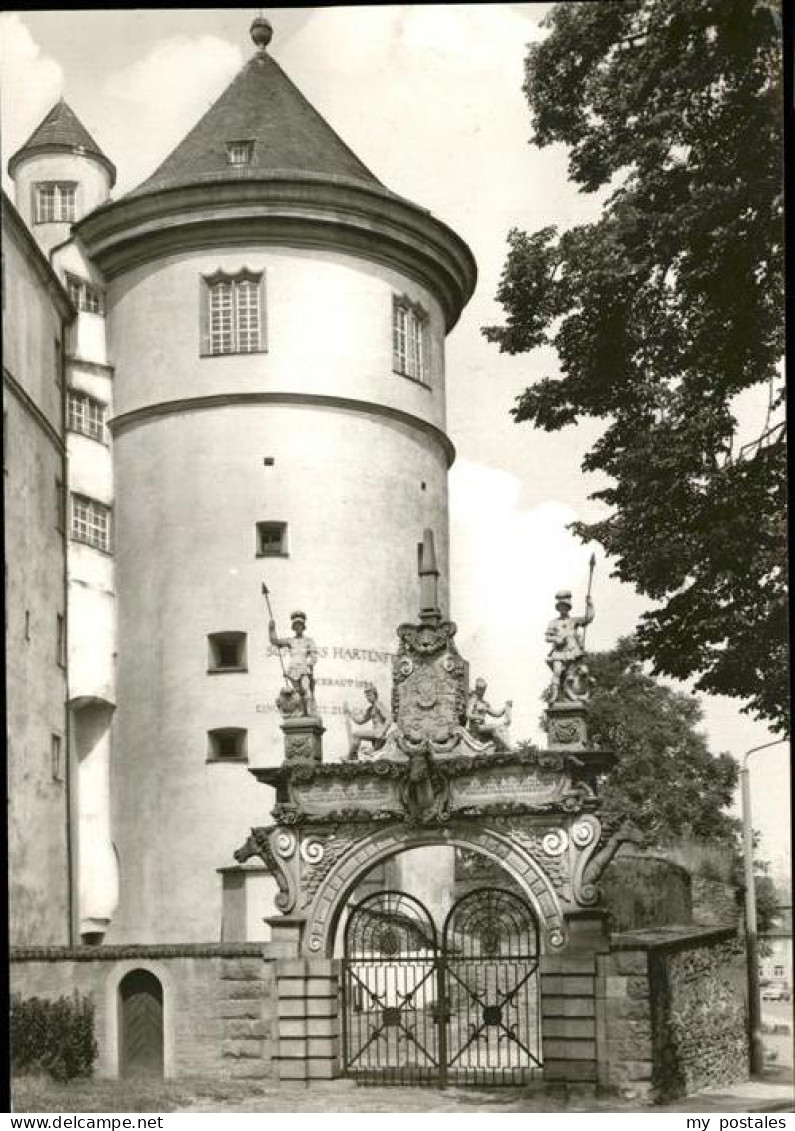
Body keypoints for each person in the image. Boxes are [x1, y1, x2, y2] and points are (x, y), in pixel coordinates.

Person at [545, 589, 594, 701]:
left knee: (570, 674)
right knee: (557, 671)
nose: (563, 609)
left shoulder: (574, 621)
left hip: (572, 651)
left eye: (565, 606)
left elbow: (588, 618)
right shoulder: (553, 623)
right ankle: (554, 695)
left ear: (568, 607)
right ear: (558, 608)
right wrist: (556, 639)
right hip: (559, 652)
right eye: (561, 606)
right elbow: (547, 637)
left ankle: (570, 695)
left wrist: (590, 604)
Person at [269, 610, 318, 716]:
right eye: (295, 625)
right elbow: (275, 641)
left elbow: (314, 656)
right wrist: (271, 629)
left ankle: (310, 713)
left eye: (299, 625)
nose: (297, 627)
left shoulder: (309, 640)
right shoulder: (290, 640)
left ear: (303, 626)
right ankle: (300, 712)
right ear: (294, 627)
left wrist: (310, 663)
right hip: (293, 669)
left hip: (304, 668)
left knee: (306, 690)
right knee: (297, 692)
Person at [344, 684, 394, 760]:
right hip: (375, 733)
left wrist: (382, 731)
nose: (368, 698)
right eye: (367, 696)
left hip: (378, 732)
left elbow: (389, 718)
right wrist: (349, 713)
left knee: (355, 735)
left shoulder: (378, 704)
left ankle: (351, 757)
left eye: (370, 695)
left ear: (375, 694)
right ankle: (352, 756)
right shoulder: (370, 709)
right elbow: (360, 721)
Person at [465, 678, 514, 752]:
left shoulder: (485, 703)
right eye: (480, 689)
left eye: (483, 689)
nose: (482, 691)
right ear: (477, 688)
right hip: (476, 727)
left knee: (500, 727)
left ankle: (507, 748)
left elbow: (496, 714)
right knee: (495, 727)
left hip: (483, 726)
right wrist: (479, 717)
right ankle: (510, 749)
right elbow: (468, 714)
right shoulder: (473, 700)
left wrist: (505, 708)